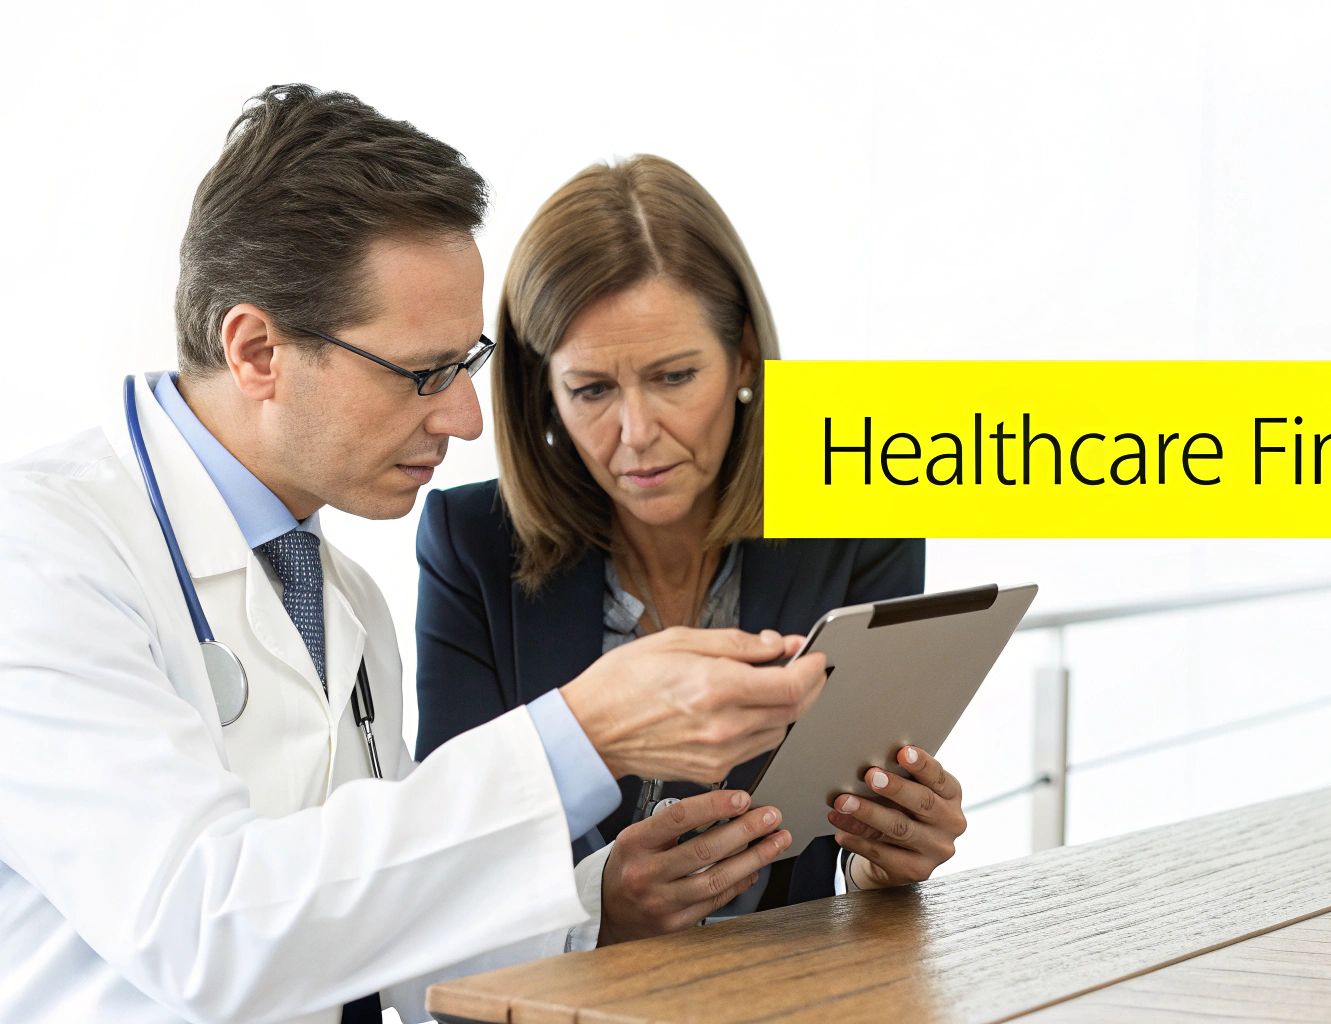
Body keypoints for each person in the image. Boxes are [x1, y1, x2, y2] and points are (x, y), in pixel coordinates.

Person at [0, 86, 827, 1024]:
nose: (468, 418)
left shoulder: (339, 597)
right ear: (258, 350)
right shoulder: (38, 556)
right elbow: (206, 935)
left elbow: (380, 940)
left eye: (465, 366)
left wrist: (606, 906)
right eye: (424, 374)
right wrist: (581, 733)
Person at [414, 156, 966, 940]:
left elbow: (851, 838)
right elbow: (449, 858)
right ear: (543, 392)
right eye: (592, 390)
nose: (637, 435)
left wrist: (880, 863)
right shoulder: (470, 545)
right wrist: (597, 910)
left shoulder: (859, 521)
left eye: (674, 377)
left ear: (743, 357)